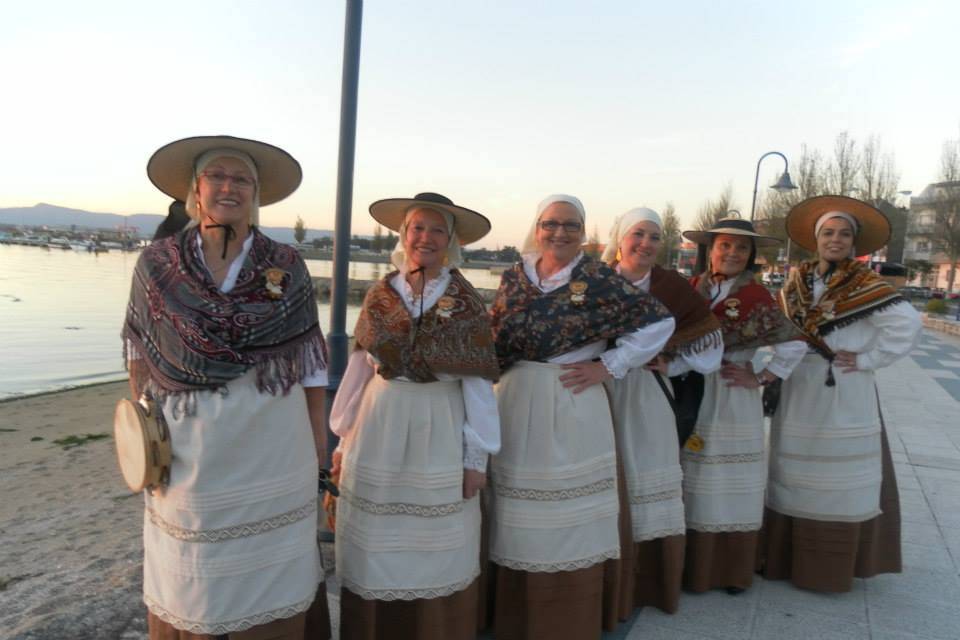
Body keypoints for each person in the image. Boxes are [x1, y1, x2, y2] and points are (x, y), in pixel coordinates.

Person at [123, 135, 331, 639]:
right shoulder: (156, 264)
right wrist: (142, 435)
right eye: (216, 176)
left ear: (257, 193)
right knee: (191, 574)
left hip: (271, 442)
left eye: (242, 179)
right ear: (196, 190)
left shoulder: (287, 264)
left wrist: (319, 449)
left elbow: (310, 366)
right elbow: (140, 355)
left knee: (269, 574)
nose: (228, 187)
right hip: (187, 443)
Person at [488, 195, 675, 639]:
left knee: (567, 507)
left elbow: (658, 323)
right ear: (537, 228)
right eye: (551, 223)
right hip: (514, 396)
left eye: (571, 225)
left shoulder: (597, 278)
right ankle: (513, 602)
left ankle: (567, 608)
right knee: (513, 501)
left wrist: (606, 366)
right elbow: (494, 336)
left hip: (571, 397)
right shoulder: (515, 278)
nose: (560, 232)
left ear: (584, 233)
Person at [328, 192, 500, 640]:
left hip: (438, 421)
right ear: (403, 235)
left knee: (432, 541)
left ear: (450, 240)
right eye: (416, 228)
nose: (425, 237)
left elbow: (479, 385)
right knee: (376, 537)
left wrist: (476, 459)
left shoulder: (465, 302)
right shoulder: (381, 294)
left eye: (436, 229)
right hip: (379, 420)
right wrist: (344, 440)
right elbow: (359, 369)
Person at [759, 196, 922, 592]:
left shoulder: (867, 283)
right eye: (828, 233)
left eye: (844, 234)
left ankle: (830, 565)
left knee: (836, 477)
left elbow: (908, 324)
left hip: (842, 389)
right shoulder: (796, 282)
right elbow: (783, 331)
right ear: (816, 240)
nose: (835, 239)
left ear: (854, 242)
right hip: (799, 387)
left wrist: (867, 359)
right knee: (792, 469)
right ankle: (784, 556)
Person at [600, 207, 723, 613]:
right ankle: (598, 573)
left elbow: (712, 346)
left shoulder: (671, 288)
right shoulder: (593, 282)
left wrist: (675, 364)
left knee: (644, 472)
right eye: (638, 234)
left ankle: (645, 578)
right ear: (619, 239)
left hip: (645, 395)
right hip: (596, 392)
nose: (646, 243)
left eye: (655, 237)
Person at [680, 217, 806, 595]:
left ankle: (730, 569)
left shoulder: (757, 298)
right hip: (690, 390)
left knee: (727, 481)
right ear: (711, 250)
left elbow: (794, 344)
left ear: (751, 256)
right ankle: (690, 565)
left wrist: (762, 376)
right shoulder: (692, 289)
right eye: (725, 245)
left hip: (731, 394)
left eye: (742, 248)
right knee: (692, 473)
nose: (732, 253)